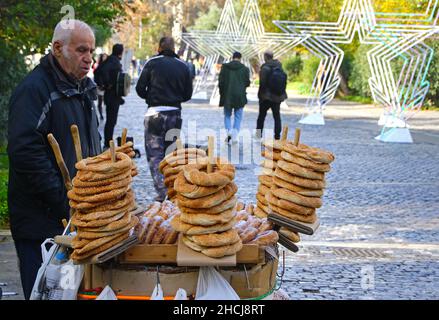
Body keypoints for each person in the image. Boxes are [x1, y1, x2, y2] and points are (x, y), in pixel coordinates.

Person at [7, 19, 101, 299]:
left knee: (69, 293)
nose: (89, 59)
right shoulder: (35, 89)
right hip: (41, 223)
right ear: (58, 48)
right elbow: (24, 150)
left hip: (73, 219)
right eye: (82, 50)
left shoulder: (81, 87)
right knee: (44, 292)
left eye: (91, 51)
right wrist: (64, 198)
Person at [136, 36, 193, 202]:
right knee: (171, 154)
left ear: (159, 47)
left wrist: (151, 97)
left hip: (154, 113)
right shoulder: (183, 66)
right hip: (175, 114)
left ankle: (162, 192)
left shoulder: (152, 63)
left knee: (155, 154)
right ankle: (172, 189)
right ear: (174, 48)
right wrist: (175, 99)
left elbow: (140, 87)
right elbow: (188, 94)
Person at [218, 51, 250, 145]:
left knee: (227, 115)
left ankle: (229, 132)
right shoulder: (244, 69)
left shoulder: (225, 67)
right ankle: (234, 135)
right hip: (240, 96)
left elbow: (221, 82)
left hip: (227, 95)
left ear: (232, 57)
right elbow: (247, 83)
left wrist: (222, 93)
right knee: (238, 116)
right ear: (240, 58)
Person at [256, 50, 288, 140]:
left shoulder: (265, 68)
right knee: (277, 116)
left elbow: (262, 83)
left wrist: (261, 95)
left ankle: (258, 135)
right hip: (277, 97)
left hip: (266, 97)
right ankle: (277, 136)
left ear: (265, 57)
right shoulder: (279, 67)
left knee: (261, 117)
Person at [101, 43, 124, 149]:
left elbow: (99, 71)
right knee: (111, 120)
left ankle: (108, 141)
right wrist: (107, 84)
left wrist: (104, 85)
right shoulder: (114, 62)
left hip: (110, 95)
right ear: (120, 52)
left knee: (110, 120)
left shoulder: (108, 60)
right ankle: (107, 142)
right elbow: (100, 72)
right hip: (112, 96)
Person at [93, 53, 108, 121]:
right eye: (104, 57)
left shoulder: (108, 66)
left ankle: (102, 114)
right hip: (100, 87)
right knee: (100, 102)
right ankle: (101, 114)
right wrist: (99, 84)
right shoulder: (99, 67)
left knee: (105, 102)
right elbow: (96, 75)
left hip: (106, 87)